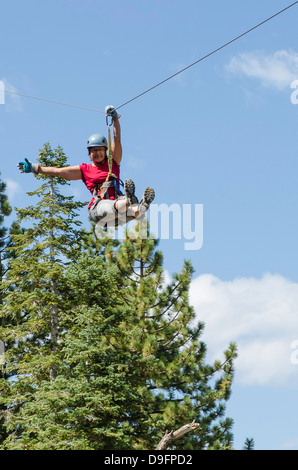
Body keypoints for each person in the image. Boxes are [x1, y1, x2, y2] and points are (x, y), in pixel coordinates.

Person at [17, 105, 155, 228]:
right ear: (89, 154)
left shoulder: (113, 163)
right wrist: (36, 168)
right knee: (117, 205)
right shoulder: (85, 170)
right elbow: (58, 172)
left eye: (100, 150)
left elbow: (117, 140)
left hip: (117, 216)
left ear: (105, 151)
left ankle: (138, 206)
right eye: (94, 151)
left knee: (134, 211)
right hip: (99, 211)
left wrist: (115, 120)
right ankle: (129, 200)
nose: (97, 153)